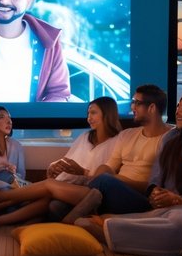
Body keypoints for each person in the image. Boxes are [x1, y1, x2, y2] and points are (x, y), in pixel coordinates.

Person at [72, 87, 182, 229]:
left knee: (104, 182)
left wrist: (178, 199)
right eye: (178, 106)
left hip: (178, 207)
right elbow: (156, 176)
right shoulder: (171, 139)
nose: (178, 112)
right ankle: (74, 219)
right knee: (57, 205)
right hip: (155, 200)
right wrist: (154, 191)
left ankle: (72, 222)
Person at [0, 96, 122, 227]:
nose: (89, 118)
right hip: (69, 183)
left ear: (107, 114)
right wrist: (55, 166)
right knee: (48, 198)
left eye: (93, 113)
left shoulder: (117, 142)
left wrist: (82, 172)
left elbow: (106, 178)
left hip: (89, 191)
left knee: (49, 191)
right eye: (88, 113)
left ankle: (0, 201)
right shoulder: (85, 136)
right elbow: (67, 160)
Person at [62, 84, 170, 222]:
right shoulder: (127, 134)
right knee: (57, 206)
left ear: (152, 108)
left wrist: (117, 179)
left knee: (104, 181)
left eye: (137, 103)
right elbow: (109, 166)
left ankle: (69, 222)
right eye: (132, 102)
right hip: (112, 189)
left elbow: (156, 186)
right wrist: (101, 173)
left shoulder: (169, 138)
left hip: (140, 198)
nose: (132, 107)